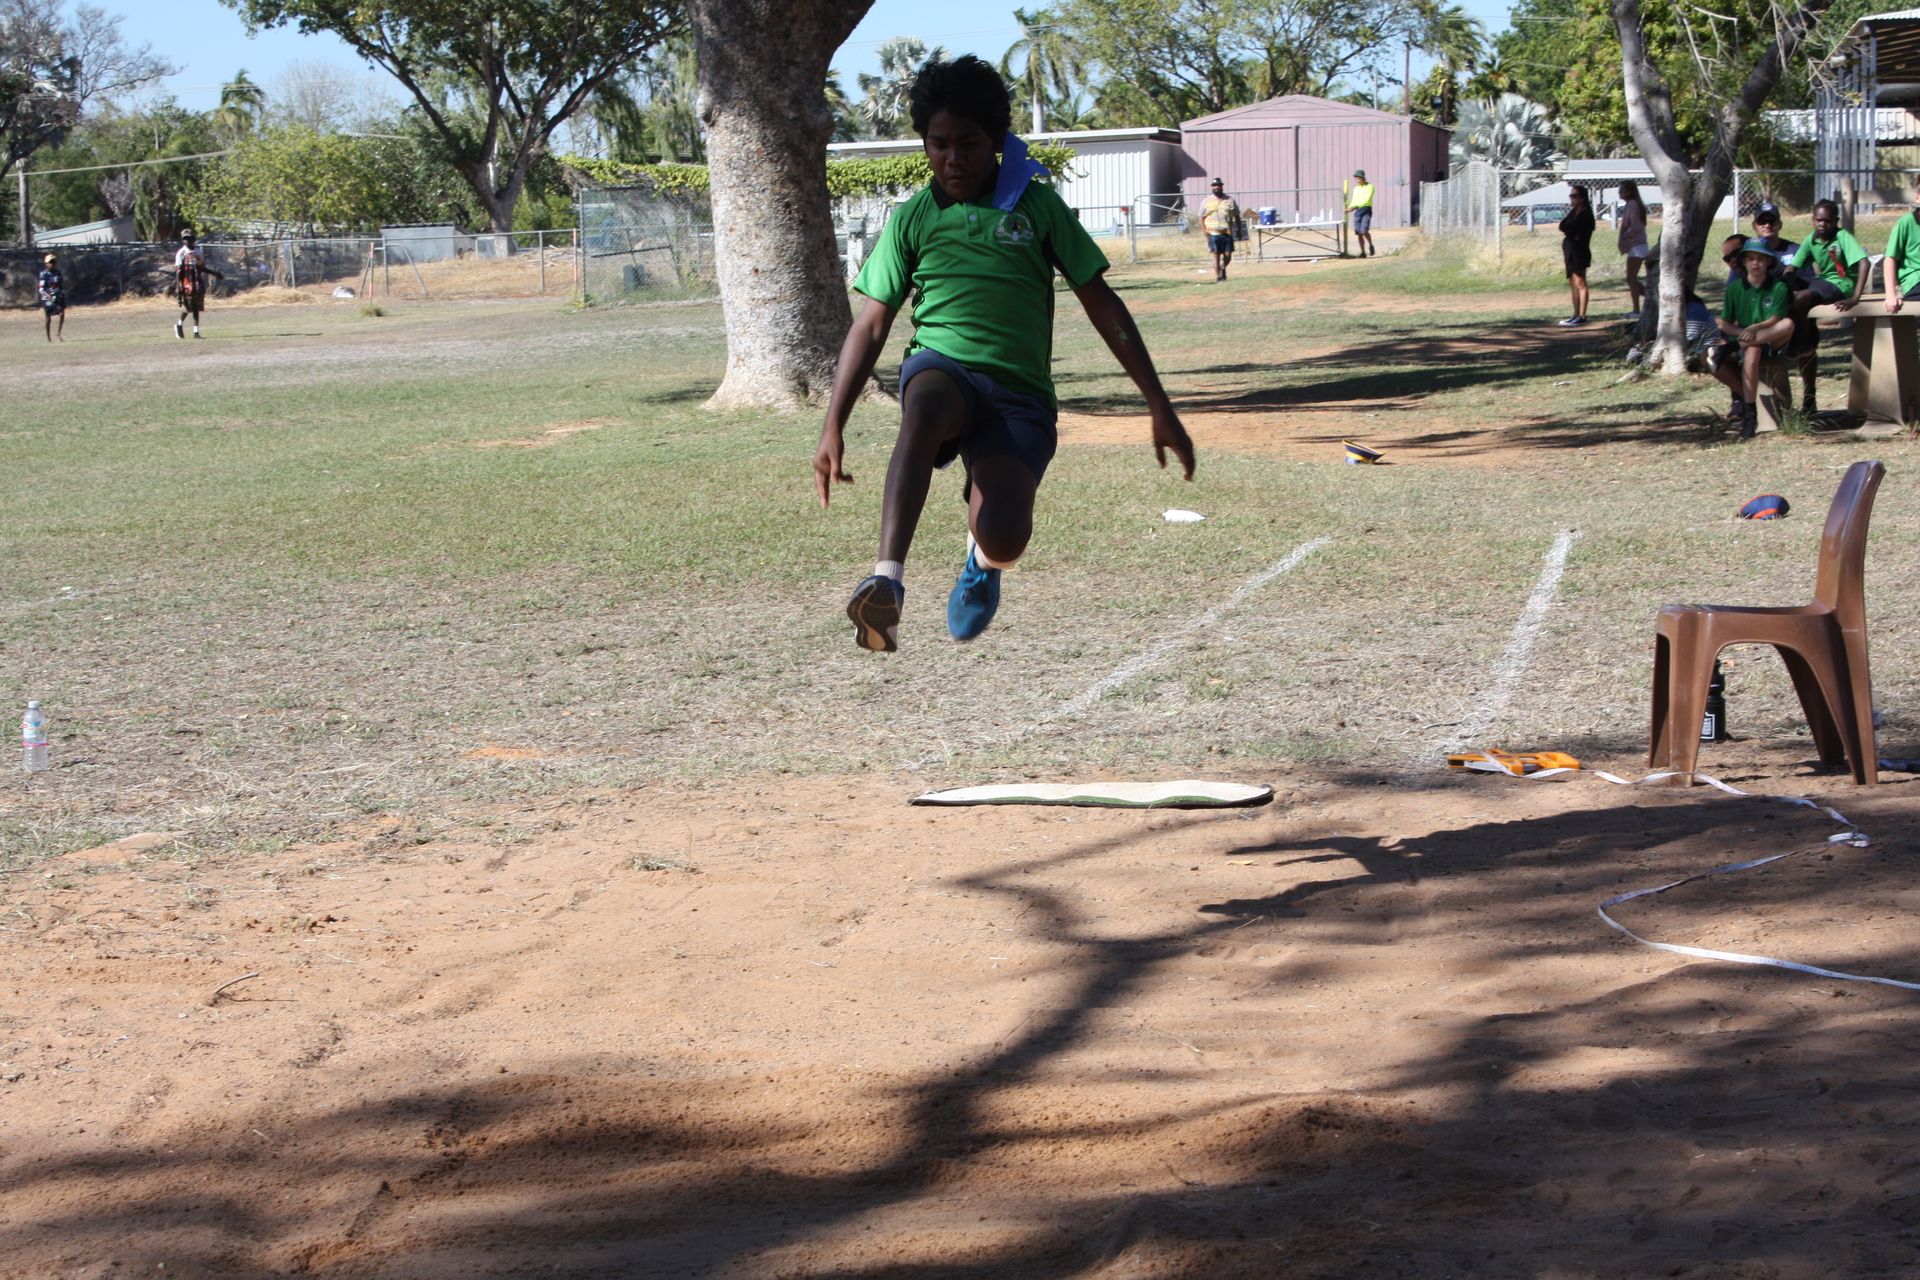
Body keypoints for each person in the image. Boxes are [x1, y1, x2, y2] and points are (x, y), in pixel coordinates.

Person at [813, 54, 1195, 654]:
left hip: (1018, 394)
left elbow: (1103, 304)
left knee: (1006, 535)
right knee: (925, 405)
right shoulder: (913, 219)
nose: (953, 158)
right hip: (942, 366)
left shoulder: (1036, 207)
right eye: (937, 144)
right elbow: (872, 324)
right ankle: (886, 581)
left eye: (968, 143)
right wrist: (833, 423)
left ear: (996, 139)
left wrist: (1158, 404)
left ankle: (983, 559)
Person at [1785, 199, 1870, 413]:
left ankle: (1802, 343)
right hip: (1820, 282)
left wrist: (1855, 297)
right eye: (1818, 220)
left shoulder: (1843, 237)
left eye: (1828, 221)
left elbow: (1864, 262)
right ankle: (1805, 342)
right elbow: (1794, 267)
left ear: (1836, 221)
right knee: (1787, 291)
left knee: (1801, 298)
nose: (1823, 224)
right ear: (1813, 220)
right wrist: (1785, 277)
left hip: (1840, 285)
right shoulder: (1810, 239)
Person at [1713, 238, 1795, 439]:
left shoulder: (1778, 287)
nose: (1755, 263)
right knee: (1752, 352)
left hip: (1773, 339)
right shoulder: (1735, 289)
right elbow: (1724, 322)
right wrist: (1743, 332)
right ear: (1744, 262)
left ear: (1768, 261)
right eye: (1750, 258)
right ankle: (1750, 415)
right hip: (1749, 340)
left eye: (1760, 258)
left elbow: (1777, 318)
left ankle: (1733, 346)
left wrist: (1755, 328)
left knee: (1788, 324)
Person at [173, 229, 223, 339]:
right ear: (183, 240)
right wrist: (179, 287)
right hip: (187, 283)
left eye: (190, 238)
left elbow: (202, 268)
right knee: (189, 307)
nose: (188, 241)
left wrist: (215, 273)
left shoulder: (198, 251)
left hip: (197, 282)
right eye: (186, 239)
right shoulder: (181, 253)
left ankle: (195, 331)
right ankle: (179, 324)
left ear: (194, 239)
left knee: (196, 306)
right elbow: (178, 271)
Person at [1557, 185, 1594, 326]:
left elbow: (1576, 230)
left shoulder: (1585, 214)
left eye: (1574, 196)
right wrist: (1570, 231)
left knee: (1580, 283)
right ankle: (1575, 314)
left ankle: (1582, 316)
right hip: (1570, 251)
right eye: (1571, 196)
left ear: (1582, 198)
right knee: (1573, 283)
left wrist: (1571, 231)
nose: (1571, 199)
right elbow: (1563, 225)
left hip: (1580, 252)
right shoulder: (1574, 212)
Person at [1881, 185, 1920, 313]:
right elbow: (1890, 259)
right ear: (1917, 198)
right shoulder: (1906, 222)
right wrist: (1891, 295)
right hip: (1914, 281)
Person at [1617, 181, 1649, 316]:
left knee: (1631, 278)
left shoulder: (1633, 205)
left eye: (1622, 190)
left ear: (1629, 191)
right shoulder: (1631, 205)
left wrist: (1625, 236)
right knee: (1631, 278)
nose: (1619, 193)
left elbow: (1636, 227)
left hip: (1637, 246)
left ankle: (1637, 309)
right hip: (1636, 246)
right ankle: (1651, 298)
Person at [1201, 177, 1240, 282]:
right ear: (1212, 187)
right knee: (1216, 256)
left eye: (1219, 185)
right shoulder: (1206, 201)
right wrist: (1204, 231)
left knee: (1228, 255)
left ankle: (1223, 268)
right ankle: (1219, 277)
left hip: (1226, 232)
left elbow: (1236, 216)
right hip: (1212, 233)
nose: (1217, 187)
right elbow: (1201, 217)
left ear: (1222, 186)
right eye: (1214, 185)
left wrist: (1239, 230)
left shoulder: (1229, 200)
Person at [36, 253, 65, 343]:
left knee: (61, 313)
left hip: (57, 296)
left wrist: (61, 293)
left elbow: (60, 284)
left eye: (54, 261)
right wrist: (48, 296)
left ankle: (58, 333)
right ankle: (48, 338)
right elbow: (41, 289)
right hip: (47, 297)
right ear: (46, 263)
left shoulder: (57, 272)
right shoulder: (43, 274)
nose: (52, 264)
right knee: (48, 317)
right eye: (50, 262)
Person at [1347, 169, 1375, 258]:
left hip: (1366, 209)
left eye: (1359, 178)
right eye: (1356, 178)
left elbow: (1366, 200)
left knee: (1364, 231)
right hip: (1358, 211)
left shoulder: (1369, 186)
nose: (1357, 180)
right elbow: (1354, 200)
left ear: (1363, 178)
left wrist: (1354, 207)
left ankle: (1370, 245)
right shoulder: (1356, 189)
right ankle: (1363, 252)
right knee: (1359, 233)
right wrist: (1349, 207)